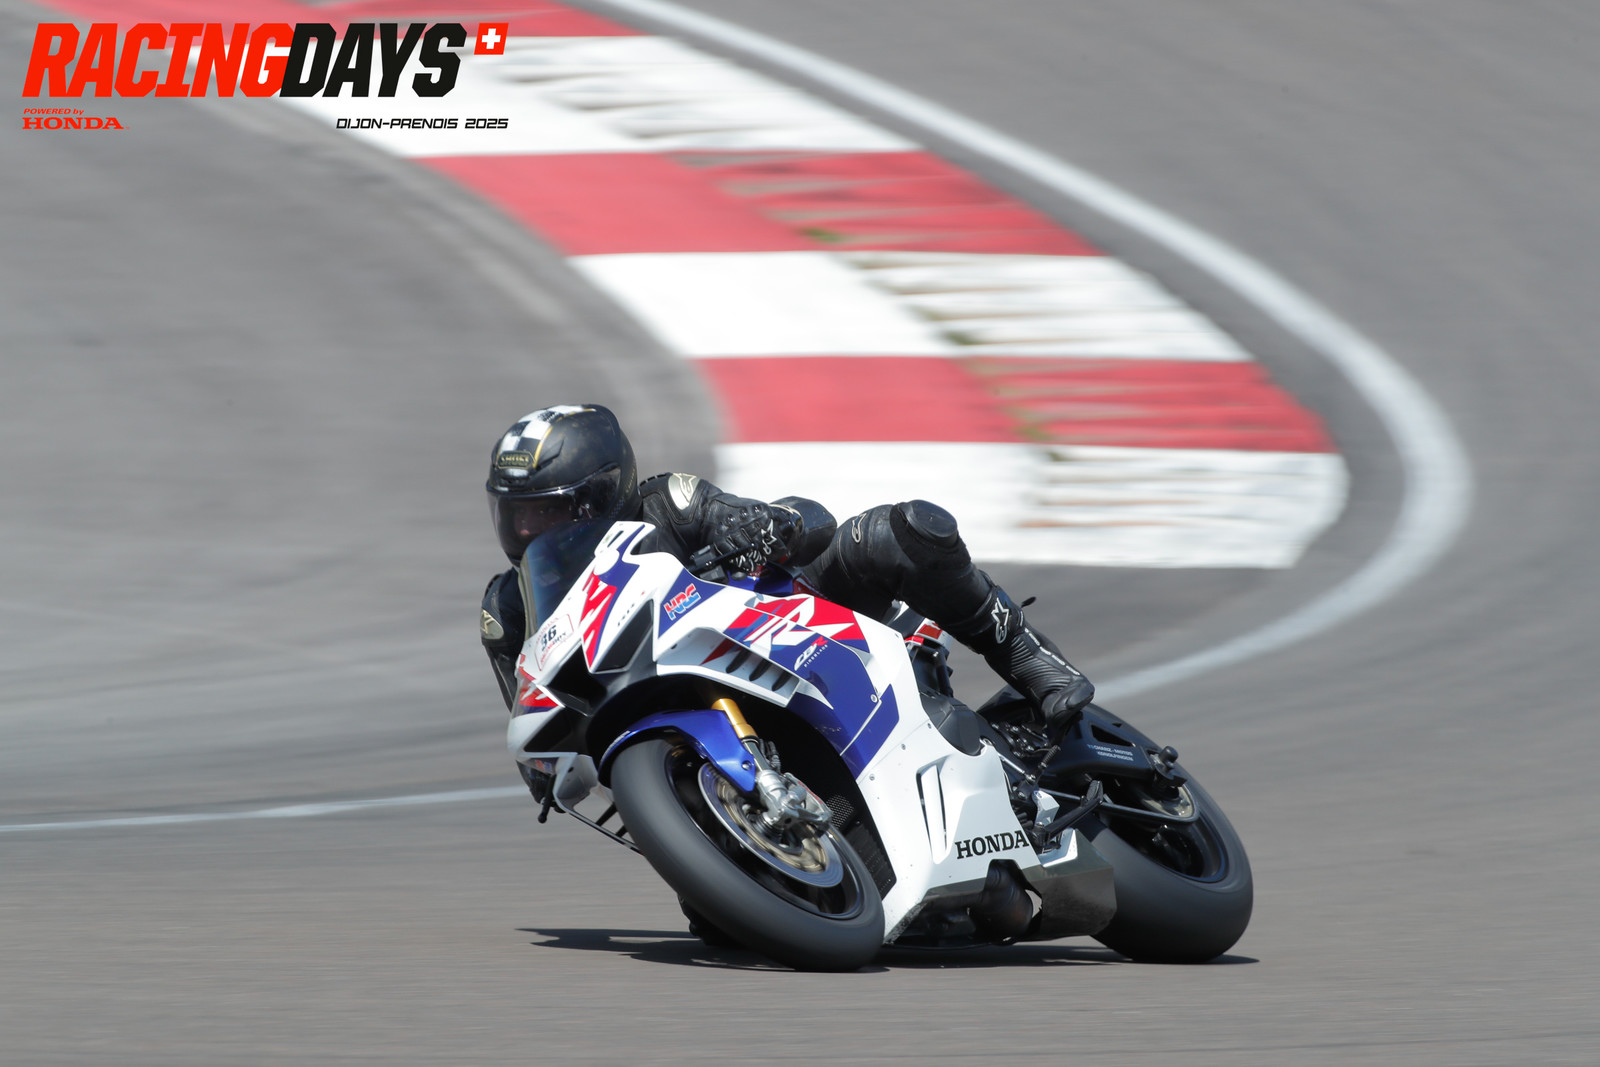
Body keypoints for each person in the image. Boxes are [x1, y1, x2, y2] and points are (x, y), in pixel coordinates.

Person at [480, 403, 1093, 724]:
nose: (529, 531)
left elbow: (807, 522)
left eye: (548, 512)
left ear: (604, 492)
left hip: (785, 633)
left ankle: (1024, 655)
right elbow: (530, 723)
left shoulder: (668, 504)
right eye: (517, 515)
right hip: (674, 726)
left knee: (899, 532)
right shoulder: (509, 611)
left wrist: (770, 526)